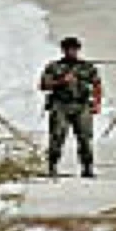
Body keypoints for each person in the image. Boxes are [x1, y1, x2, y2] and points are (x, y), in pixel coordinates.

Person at [39, 36, 102, 178]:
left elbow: (97, 85)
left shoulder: (87, 67)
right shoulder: (54, 67)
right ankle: (52, 165)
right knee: (57, 136)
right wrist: (61, 81)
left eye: (74, 49)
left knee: (85, 138)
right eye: (68, 49)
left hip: (82, 105)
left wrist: (97, 103)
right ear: (63, 50)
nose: (71, 52)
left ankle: (87, 167)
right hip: (60, 106)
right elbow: (43, 85)